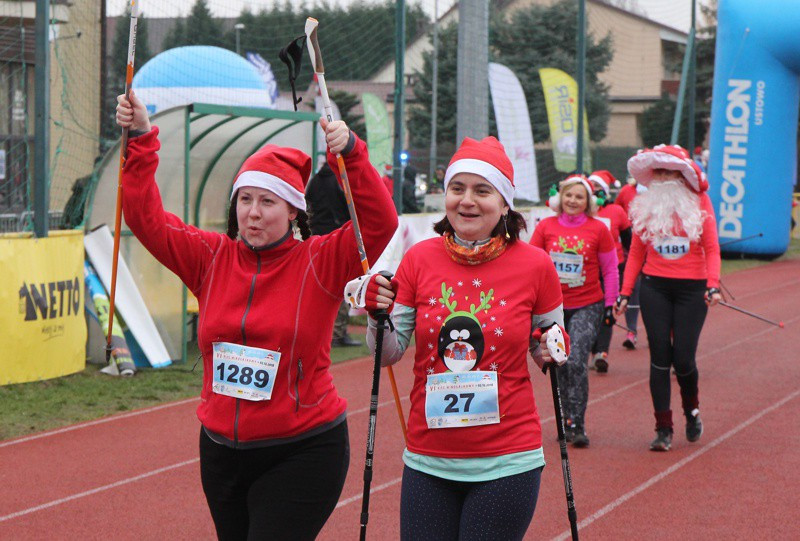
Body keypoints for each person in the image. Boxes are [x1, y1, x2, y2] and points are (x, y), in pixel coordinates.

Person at [115, 91, 398, 540]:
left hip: (303, 449)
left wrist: (352, 155)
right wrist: (143, 138)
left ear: (292, 210)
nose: (252, 212)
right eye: (245, 199)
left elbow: (380, 223)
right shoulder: (209, 257)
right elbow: (145, 218)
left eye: (267, 201)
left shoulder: (321, 259)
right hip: (222, 452)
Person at [363, 136, 568, 541]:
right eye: (457, 189)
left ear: (505, 202)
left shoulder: (536, 266)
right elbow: (386, 353)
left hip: (507, 460)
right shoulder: (419, 258)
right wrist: (375, 316)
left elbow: (550, 350)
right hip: (428, 459)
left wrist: (552, 348)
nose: (467, 201)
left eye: (482, 190)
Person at [614, 144, 721, 452]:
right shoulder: (644, 205)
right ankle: (663, 428)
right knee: (659, 358)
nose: (662, 177)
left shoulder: (700, 202)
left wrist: (712, 284)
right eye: (657, 171)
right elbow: (635, 253)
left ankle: (692, 411)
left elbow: (712, 249)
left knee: (683, 359)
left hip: (692, 290)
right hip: (654, 288)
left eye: (669, 171)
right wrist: (624, 293)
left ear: (682, 175)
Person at [531, 174, 619, 446]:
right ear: (560, 198)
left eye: (579, 196)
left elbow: (610, 268)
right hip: (552, 308)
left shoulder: (599, 229)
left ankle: (577, 424)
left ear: (588, 202)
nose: (573, 200)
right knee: (557, 363)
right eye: (568, 195)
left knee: (577, 360)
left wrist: (610, 305)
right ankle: (564, 419)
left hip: (587, 304)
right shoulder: (545, 227)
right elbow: (530, 265)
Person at [305, 163, 362, 347]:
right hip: (337, 237)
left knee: (321, 286)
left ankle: (322, 332)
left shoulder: (314, 181)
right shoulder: (340, 180)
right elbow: (351, 208)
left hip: (316, 238)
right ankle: (337, 334)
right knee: (341, 285)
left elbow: (308, 205)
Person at [588, 170, 632, 372]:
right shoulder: (583, 211)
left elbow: (629, 241)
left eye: (598, 189)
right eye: (591, 188)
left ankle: (601, 352)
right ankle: (592, 348)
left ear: (605, 192)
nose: (595, 192)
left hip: (613, 268)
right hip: (587, 269)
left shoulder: (616, 212)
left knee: (608, 308)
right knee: (588, 312)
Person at [613, 178, 643, 349]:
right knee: (633, 288)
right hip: (631, 245)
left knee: (646, 292)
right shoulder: (626, 191)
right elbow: (617, 211)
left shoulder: (662, 190)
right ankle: (631, 331)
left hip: (655, 249)